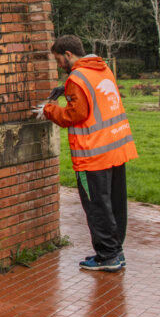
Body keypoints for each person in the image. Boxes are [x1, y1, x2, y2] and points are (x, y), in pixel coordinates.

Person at [36, 35, 136, 272]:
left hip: (93, 154)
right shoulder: (102, 70)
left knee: (97, 206)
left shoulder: (76, 78)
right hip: (116, 149)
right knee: (115, 203)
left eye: (59, 59)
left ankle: (107, 256)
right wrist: (66, 91)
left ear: (68, 54)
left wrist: (49, 110)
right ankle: (116, 251)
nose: (59, 65)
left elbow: (74, 115)